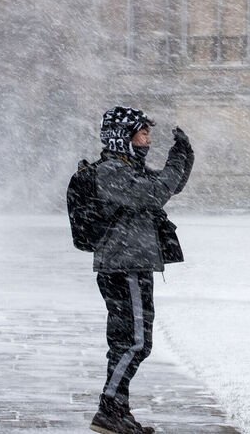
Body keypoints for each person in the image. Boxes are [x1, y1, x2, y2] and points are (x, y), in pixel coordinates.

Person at [89, 106, 194, 434]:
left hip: (131, 264)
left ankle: (118, 411)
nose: (148, 140)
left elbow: (170, 186)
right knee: (135, 343)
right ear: (123, 137)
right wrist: (176, 162)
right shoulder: (112, 171)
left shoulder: (128, 168)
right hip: (125, 267)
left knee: (129, 342)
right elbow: (156, 193)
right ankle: (109, 409)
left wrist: (183, 155)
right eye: (143, 133)